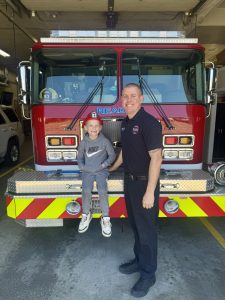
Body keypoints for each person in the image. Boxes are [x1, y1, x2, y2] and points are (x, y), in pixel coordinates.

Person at [109, 83, 162, 297]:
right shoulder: (125, 123)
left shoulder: (149, 123)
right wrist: (111, 167)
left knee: (147, 231)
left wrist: (150, 191)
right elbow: (125, 151)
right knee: (136, 227)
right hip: (129, 183)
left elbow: (157, 158)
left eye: (133, 96)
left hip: (144, 184)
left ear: (141, 99)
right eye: (125, 96)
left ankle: (149, 274)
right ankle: (139, 261)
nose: (128, 100)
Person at [77, 112, 116, 237]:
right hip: (87, 172)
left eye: (96, 126)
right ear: (85, 128)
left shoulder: (104, 141)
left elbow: (112, 155)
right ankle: (86, 215)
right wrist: (82, 167)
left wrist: (104, 165)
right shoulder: (83, 142)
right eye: (90, 125)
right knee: (86, 190)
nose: (93, 128)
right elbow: (79, 158)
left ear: (100, 127)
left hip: (101, 172)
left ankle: (105, 218)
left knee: (102, 190)